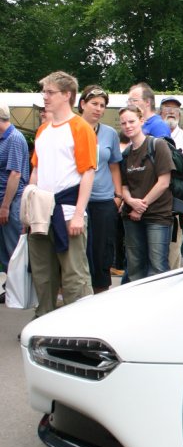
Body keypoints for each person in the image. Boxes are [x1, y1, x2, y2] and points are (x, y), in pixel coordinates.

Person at [26, 71, 96, 316]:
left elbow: (88, 172)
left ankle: (82, 326)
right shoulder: (43, 131)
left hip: (67, 211)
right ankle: (43, 321)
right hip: (42, 212)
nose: (45, 97)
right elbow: (36, 169)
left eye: (50, 92)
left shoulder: (80, 128)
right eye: (44, 92)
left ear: (67, 95)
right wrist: (29, 206)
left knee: (74, 275)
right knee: (43, 274)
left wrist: (78, 214)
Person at [119, 103, 173, 281]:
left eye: (131, 121)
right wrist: (130, 202)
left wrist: (141, 206)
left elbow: (164, 182)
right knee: (135, 267)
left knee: (157, 266)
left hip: (157, 214)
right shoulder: (126, 153)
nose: (128, 126)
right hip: (132, 216)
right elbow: (123, 185)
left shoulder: (158, 145)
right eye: (123, 123)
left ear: (141, 120)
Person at [78, 85, 123, 293]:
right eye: (94, 104)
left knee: (102, 251)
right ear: (82, 104)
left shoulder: (109, 134)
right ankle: (75, 296)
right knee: (78, 251)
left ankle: (100, 297)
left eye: (102, 105)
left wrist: (118, 195)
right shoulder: (72, 129)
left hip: (104, 200)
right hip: (77, 199)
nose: (98, 109)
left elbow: (114, 165)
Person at [159, 97, 183, 269]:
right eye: (167, 108)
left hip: (176, 205)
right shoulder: (151, 134)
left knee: (173, 253)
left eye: (175, 109)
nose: (171, 112)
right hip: (151, 205)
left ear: (180, 115)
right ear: (160, 112)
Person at [0, 104, 30, 296]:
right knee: (4, 249)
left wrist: (5, 206)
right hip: (4, 199)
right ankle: (10, 289)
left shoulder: (14, 138)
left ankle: (20, 291)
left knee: (14, 248)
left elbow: (15, 174)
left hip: (12, 200)